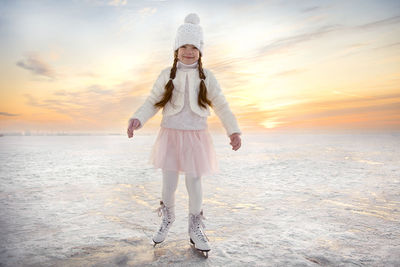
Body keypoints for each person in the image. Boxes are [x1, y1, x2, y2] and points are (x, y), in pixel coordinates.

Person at [126, 13, 241, 255]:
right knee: (169, 184)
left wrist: (233, 131)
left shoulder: (207, 76)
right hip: (170, 136)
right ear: (176, 50)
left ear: (200, 50)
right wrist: (138, 118)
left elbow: (221, 104)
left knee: (194, 183)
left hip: (196, 137)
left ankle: (195, 227)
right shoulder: (167, 74)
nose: (189, 51)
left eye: (194, 47)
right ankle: (167, 218)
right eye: (184, 47)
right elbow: (152, 101)